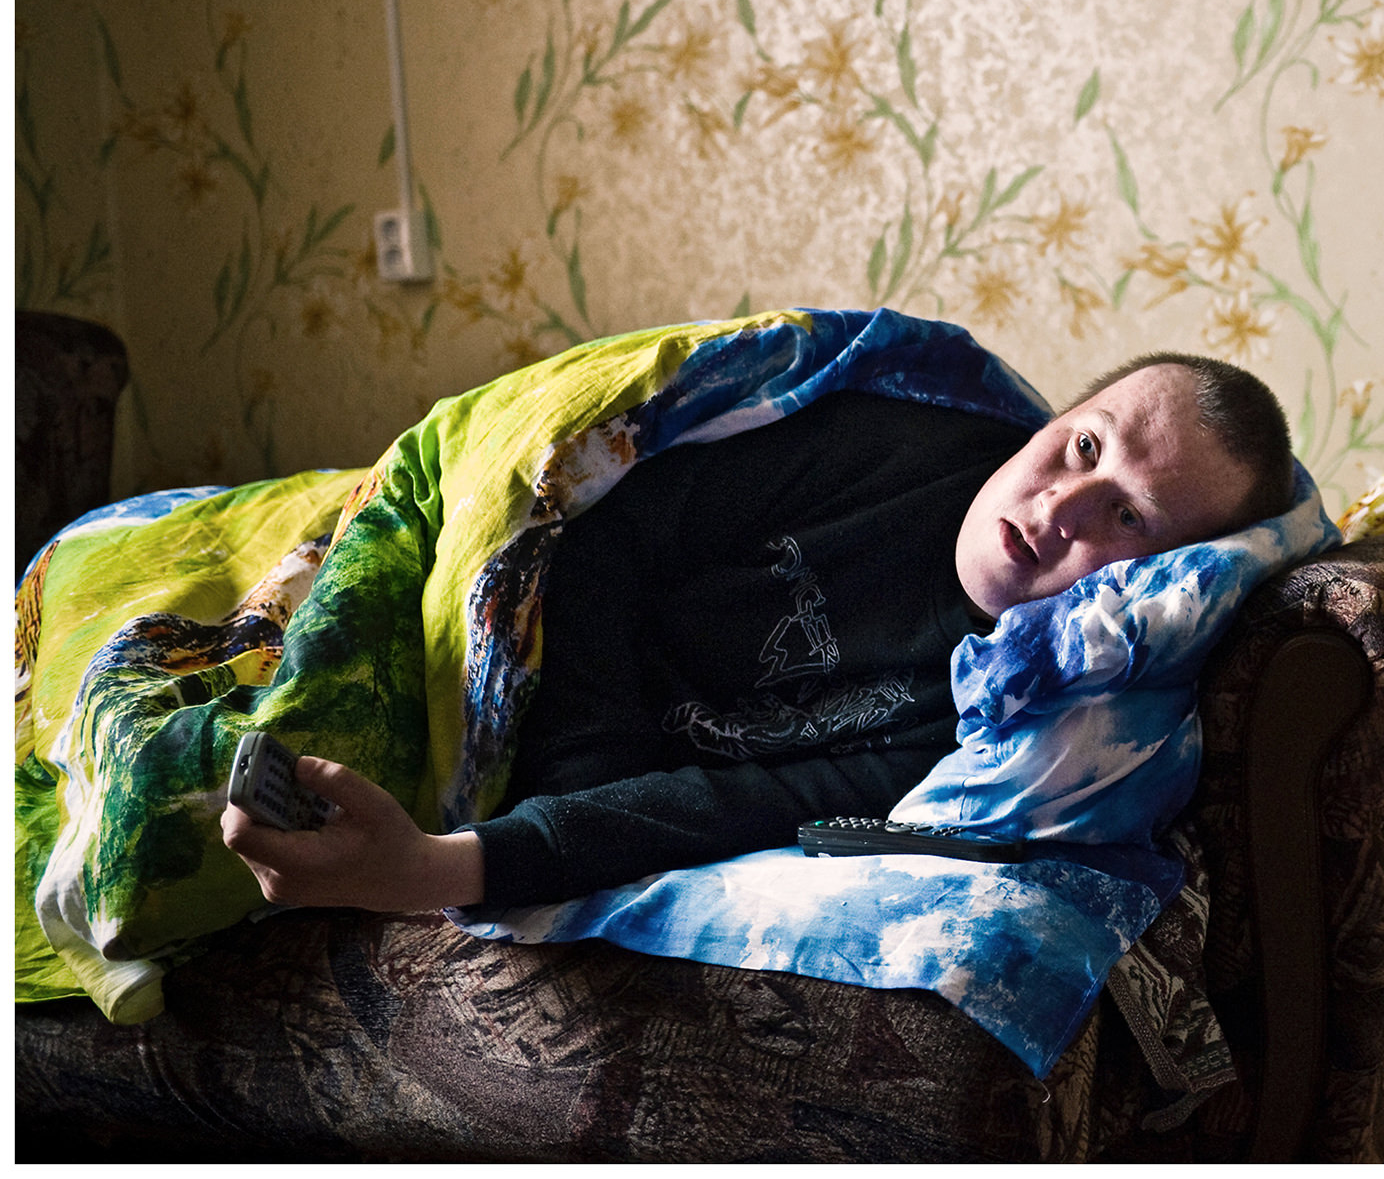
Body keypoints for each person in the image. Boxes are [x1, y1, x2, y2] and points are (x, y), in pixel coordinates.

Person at [220, 351, 1293, 916]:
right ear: (1052, 418)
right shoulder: (895, 440)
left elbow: (738, 807)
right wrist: (586, 775)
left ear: (1161, 581)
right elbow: (599, 522)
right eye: (1082, 445)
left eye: (1129, 519)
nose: (1063, 508)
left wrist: (438, 865)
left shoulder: (993, 729)